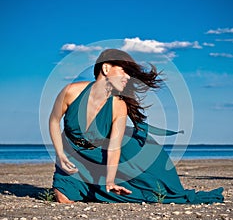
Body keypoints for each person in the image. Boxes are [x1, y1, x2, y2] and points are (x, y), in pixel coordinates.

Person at [49, 49, 224, 204]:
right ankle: (87, 185)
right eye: (124, 71)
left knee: (149, 190)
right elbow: (54, 121)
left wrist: (110, 180)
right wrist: (60, 154)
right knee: (63, 198)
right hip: (73, 155)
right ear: (106, 68)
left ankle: (102, 185)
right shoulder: (71, 92)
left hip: (101, 155)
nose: (127, 77)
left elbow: (114, 147)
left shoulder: (118, 105)